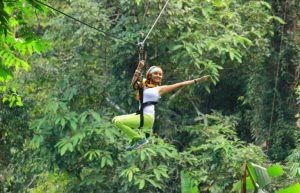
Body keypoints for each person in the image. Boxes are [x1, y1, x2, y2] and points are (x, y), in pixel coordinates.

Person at [112, 60, 210, 150]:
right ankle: (135, 139)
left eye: (160, 74)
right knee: (115, 119)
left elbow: (180, 84)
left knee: (119, 122)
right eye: (156, 73)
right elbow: (133, 84)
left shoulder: (159, 89)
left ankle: (138, 139)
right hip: (141, 115)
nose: (159, 76)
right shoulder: (143, 85)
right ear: (150, 75)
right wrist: (139, 67)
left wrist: (197, 80)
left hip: (147, 117)